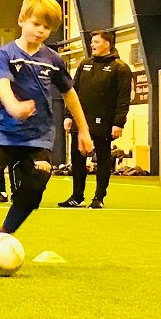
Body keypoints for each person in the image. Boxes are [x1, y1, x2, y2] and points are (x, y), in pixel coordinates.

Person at [0, 0, 94, 257]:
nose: (41, 30)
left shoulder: (52, 59)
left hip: (38, 136)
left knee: (36, 184)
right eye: (36, 23)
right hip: (3, 131)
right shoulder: (5, 54)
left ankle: (3, 234)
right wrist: (14, 107)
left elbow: (69, 93)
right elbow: (2, 84)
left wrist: (83, 130)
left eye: (47, 27)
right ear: (21, 20)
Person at [60, 29, 133, 209]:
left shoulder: (120, 68)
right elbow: (73, 92)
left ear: (107, 44)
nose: (92, 45)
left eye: (96, 42)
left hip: (104, 122)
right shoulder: (84, 64)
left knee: (102, 159)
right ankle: (77, 196)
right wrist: (68, 115)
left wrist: (118, 123)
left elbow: (123, 98)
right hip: (80, 121)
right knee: (77, 159)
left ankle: (99, 197)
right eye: (92, 42)